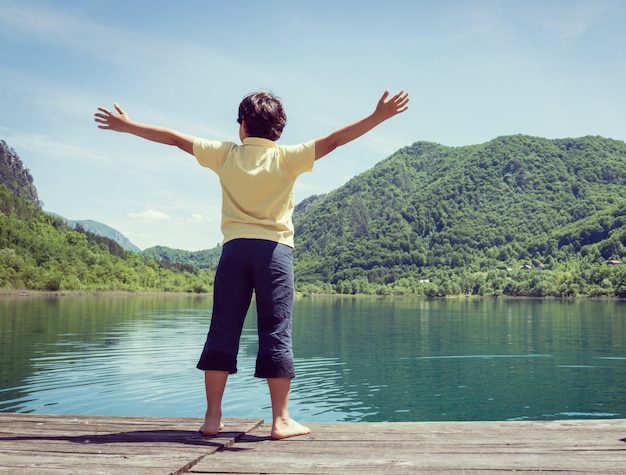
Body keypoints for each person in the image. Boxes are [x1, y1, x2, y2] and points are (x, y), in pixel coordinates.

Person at [94, 88, 409, 439]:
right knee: (275, 332)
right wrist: (378, 116)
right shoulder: (288, 158)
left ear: (242, 124)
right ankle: (281, 421)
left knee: (222, 329)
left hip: (233, 252)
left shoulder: (226, 155)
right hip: (274, 253)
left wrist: (128, 125)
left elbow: (173, 139)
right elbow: (335, 141)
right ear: (279, 129)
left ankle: (212, 419)